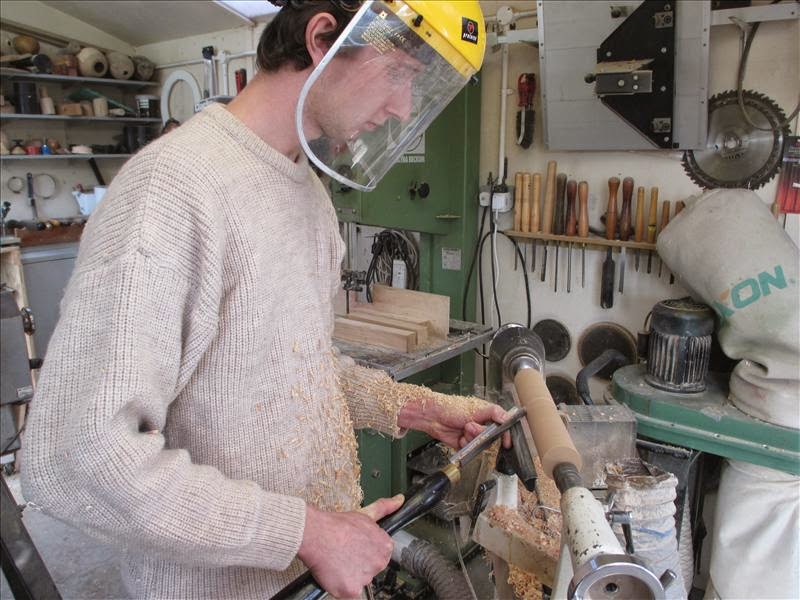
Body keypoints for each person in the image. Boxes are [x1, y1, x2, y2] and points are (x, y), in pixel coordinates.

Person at [22, 1, 499, 599]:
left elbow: (293, 367)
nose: (403, 107)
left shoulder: (308, 192)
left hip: (309, 579)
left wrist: (413, 408)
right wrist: (304, 531)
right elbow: (79, 456)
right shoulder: (171, 190)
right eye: (399, 72)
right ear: (322, 37)